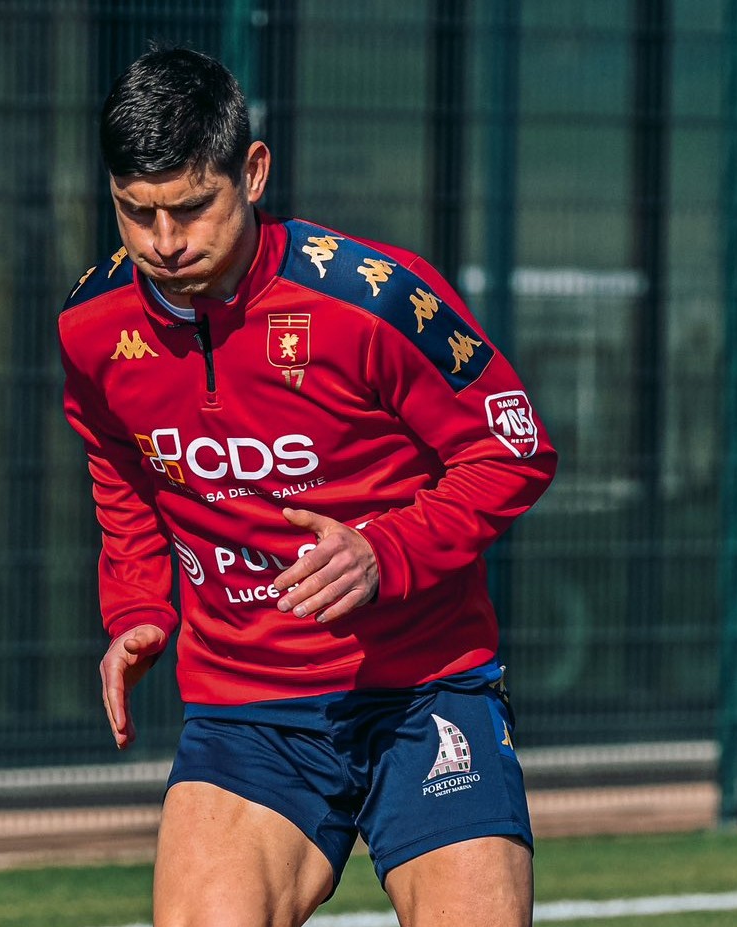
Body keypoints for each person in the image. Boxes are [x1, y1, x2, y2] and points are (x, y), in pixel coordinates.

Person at [58, 46, 557, 927]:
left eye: (191, 208)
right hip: (248, 708)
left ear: (252, 172)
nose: (165, 243)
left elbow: (513, 452)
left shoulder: (375, 302)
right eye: (136, 213)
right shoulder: (92, 326)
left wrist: (386, 551)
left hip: (426, 686)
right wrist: (138, 601)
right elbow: (117, 454)